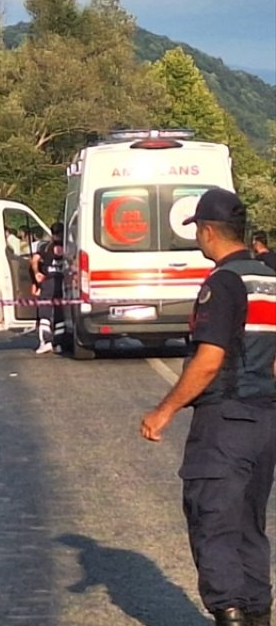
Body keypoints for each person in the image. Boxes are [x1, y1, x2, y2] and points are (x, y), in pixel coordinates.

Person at [140, 189, 276, 626]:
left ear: (208, 230)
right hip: (266, 419)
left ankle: (230, 613)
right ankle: (257, 612)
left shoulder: (223, 283)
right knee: (248, 523)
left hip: (226, 422)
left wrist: (165, 410)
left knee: (212, 519)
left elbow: (209, 360)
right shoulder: (270, 278)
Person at [31, 223, 66, 354]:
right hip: (63, 282)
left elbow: (34, 260)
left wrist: (36, 273)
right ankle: (59, 343)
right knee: (60, 313)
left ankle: (46, 342)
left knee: (44, 312)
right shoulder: (69, 246)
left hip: (48, 282)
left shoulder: (45, 247)